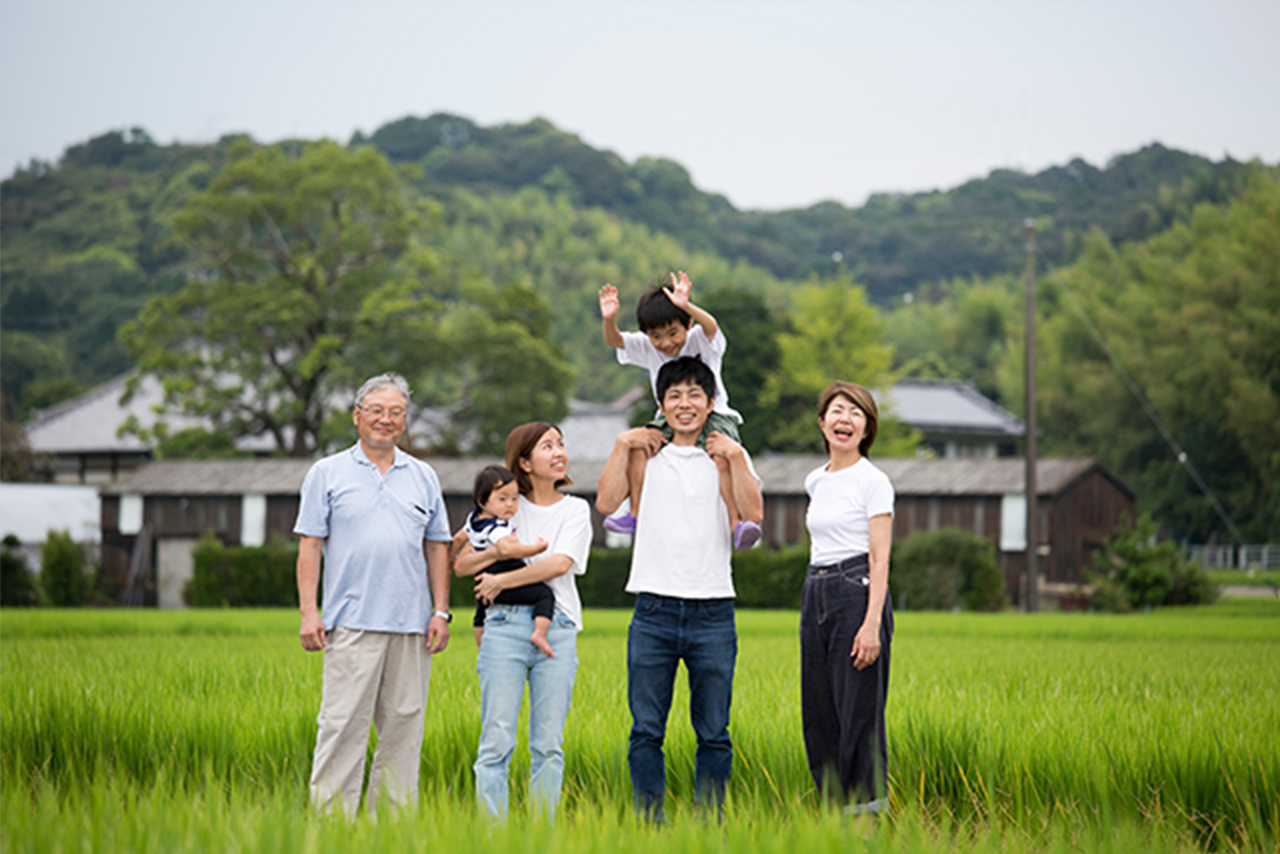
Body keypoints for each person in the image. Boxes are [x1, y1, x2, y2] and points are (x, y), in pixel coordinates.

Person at [596, 356, 764, 822]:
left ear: (710, 403)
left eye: (694, 395)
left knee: (714, 731)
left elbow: (753, 515)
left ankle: (708, 819)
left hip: (713, 610)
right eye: (674, 395)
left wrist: (733, 458)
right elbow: (607, 502)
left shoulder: (728, 453)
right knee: (647, 729)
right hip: (653, 609)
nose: (684, 403)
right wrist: (621, 442)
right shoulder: (644, 454)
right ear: (661, 405)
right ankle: (650, 822)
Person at [294, 372, 453, 818]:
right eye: (377, 411)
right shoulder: (326, 473)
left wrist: (441, 610)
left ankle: (391, 829)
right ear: (357, 416)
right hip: (351, 623)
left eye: (396, 412)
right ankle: (330, 828)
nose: (386, 420)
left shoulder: (422, 475)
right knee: (342, 726)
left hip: (412, 626)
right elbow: (310, 545)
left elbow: (437, 546)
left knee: (404, 729)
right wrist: (310, 612)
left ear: (405, 420)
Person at [454, 422, 592, 821]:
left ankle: (541, 834)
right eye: (548, 445)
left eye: (561, 443)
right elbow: (461, 565)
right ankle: (493, 835)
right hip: (504, 626)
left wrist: (501, 577)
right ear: (525, 462)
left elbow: (559, 563)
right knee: (495, 740)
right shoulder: (504, 504)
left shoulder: (575, 509)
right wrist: (494, 554)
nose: (559, 451)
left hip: (558, 626)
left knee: (548, 744)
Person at [598, 271, 761, 550]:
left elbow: (711, 326)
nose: (666, 343)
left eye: (673, 333)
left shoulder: (700, 339)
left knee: (721, 457)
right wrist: (609, 319)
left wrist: (686, 305)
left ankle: (738, 524)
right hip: (667, 418)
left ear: (688, 324)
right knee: (640, 449)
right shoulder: (648, 346)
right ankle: (634, 513)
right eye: (656, 336)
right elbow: (616, 341)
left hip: (715, 415)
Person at [800, 381, 895, 815]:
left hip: (856, 591)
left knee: (858, 707)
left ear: (866, 429)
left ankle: (868, 812)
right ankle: (832, 808)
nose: (846, 419)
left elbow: (879, 557)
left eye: (857, 413)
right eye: (838, 411)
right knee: (819, 705)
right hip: (815, 590)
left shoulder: (873, 481)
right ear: (823, 424)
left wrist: (872, 623)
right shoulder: (815, 480)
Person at [449, 465, 554, 656]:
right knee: (544, 594)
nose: (510, 505)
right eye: (502, 499)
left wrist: (449, 558)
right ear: (482, 501)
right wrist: (536, 549)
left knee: (481, 612)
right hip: (504, 574)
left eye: (514, 499)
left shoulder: (473, 520)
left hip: (483, 576)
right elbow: (507, 549)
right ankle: (540, 633)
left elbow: (457, 540)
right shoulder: (497, 527)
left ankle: (482, 647)